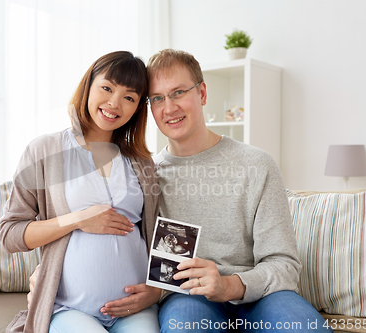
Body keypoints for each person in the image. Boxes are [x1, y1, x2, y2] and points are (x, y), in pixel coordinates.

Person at [29, 49, 332, 332]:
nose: (169, 107)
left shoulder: (256, 164)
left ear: (201, 93)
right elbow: (116, 238)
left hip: (261, 295)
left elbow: (284, 265)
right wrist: (51, 275)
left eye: (178, 93)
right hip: (186, 296)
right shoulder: (145, 174)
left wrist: (230, 285)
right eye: (157, 98)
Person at [0, 51, 161, 333]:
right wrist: (78, 219)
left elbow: (160, 234)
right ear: (88, 86)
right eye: (107, 88)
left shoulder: (141, 162)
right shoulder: (46, 150)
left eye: (129, 97)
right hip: (70, 308)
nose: (114, 103)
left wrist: (157, 290)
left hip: (134, 308)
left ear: (137, 108)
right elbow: (10, 234)